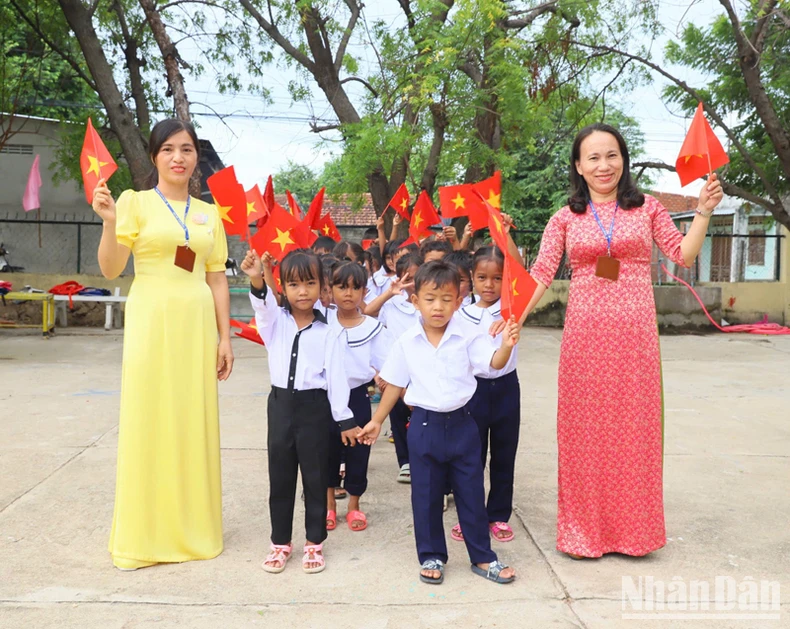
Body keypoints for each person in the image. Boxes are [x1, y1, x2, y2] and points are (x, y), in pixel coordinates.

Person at [524, 123, 723, 559]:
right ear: (578, 165)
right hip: (584, 339)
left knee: (634, 433)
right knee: (584, 433)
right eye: (592, 157)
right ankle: (583, 534)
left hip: (635, 340)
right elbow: (540, 272)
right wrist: (515, 318)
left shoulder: (648, 208)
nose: (603, 165)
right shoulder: (564, 217)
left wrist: (704, 211)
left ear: (624, 160)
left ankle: (635, 535)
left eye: (611, 155)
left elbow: (682, 255)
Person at [93, 118, 233, 570]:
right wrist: (110, 223)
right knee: (148, 417)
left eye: (187, 149)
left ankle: (194, 530)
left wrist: (225, 336)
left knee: (192, 418)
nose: (179, 157)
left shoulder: (209, 213)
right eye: (169, 149)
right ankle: (145, 536)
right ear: (155, 157)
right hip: (152, 317)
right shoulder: (134, 203)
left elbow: (215, 278)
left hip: (196, 324)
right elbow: (112, 269)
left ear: (196, 158)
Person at [359, 261, 519, 585]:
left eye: (447, 299)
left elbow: (493, 363)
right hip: (424, 427)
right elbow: (392, 383)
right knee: (426, 495)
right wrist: (377, 420)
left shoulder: (468, 335)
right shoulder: (406, 341)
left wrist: (506, 345)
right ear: (415, 300)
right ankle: (432, 554)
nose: (438, 307)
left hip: (464, 425)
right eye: (430, 298)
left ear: (458, 302)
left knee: (471, 493)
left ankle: (483, 557)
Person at [242, 248, 361, 574]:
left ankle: (314, 542)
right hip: (280, 408)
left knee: (315, 479)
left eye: (310, 283)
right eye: (294, 285)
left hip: (315, 411)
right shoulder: (274, 322)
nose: (303, 291)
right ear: (283, 287)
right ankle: (280, 543)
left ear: (322, 287)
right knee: (280, 479)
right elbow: (263, 305)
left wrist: (345, 419)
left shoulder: (330, 331)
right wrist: (256, 277)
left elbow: (337, 378)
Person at [452, 245, 520, 544]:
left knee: (504, 454)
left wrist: (506, 237)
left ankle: (498, 515)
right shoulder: (461, 314)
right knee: (471, 457)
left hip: (506, 389)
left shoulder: (514, 309)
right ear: (471, 278)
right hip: (473, 391)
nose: (489, 285)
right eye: (482, 278)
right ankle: (470, 515)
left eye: (497, 278)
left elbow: (524, 273)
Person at [326, 261, 394, 532]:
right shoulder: (322, 320)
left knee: (359, 451)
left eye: (355, 288)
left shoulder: (372, 327)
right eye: (341, 287)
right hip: (325, 397)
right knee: (325, 451)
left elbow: (388, 365)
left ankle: (354, 505)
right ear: (330, 290)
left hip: (357, 397)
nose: (348, 294)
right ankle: (329, 505)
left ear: (364, 292)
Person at [365, 252, 422, 483]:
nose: (413, 283)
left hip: (422, 368)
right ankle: (405, 461)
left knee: (420, 416)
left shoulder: (429, 302)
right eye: (408, 277)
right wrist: (390, 292)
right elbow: (367, 313)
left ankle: (420, 458)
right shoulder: (393, 303)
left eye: (418, 277)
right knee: (397, 414)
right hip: (398, 368)